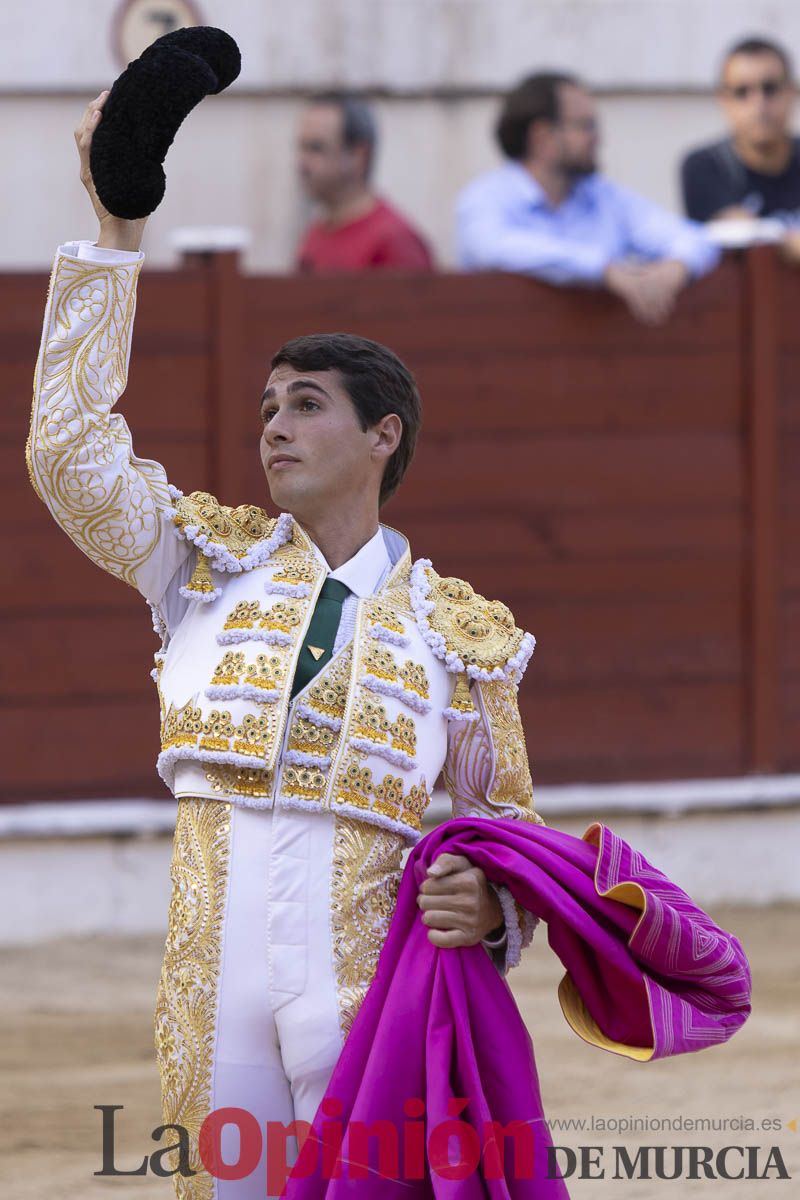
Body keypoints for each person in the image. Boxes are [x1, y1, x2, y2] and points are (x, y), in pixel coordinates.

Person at [26, 92, 541, 1199]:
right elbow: (67, 453)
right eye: (267, 406)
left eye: (305, 405)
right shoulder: (200, 567)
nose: (273, 425)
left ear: (382, 435)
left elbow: (505, 831)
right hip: (211, 992)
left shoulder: (460, 634)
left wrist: (496, 912)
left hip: (370, 998)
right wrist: (116, 233)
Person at [456, 71, 719, 325]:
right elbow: (493, 247)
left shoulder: (603, 196)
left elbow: (694, 238)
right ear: (542, 136)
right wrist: (603, 270)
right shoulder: (486, 198)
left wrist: (676, 268)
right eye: (585, 126)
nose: (598, 138)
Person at [680, 36, 800, 249]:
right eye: (742, 92)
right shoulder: (706, 165)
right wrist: (785, 242)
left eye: (770, 88)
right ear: (724, 101)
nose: (759, 105)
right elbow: (737, 233)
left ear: (792, 92)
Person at [295, 92, 434, 272]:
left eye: (316, 148)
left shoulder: (394, 243)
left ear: (358, 156)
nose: (302, 163)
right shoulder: (316, 234)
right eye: (302, 148)